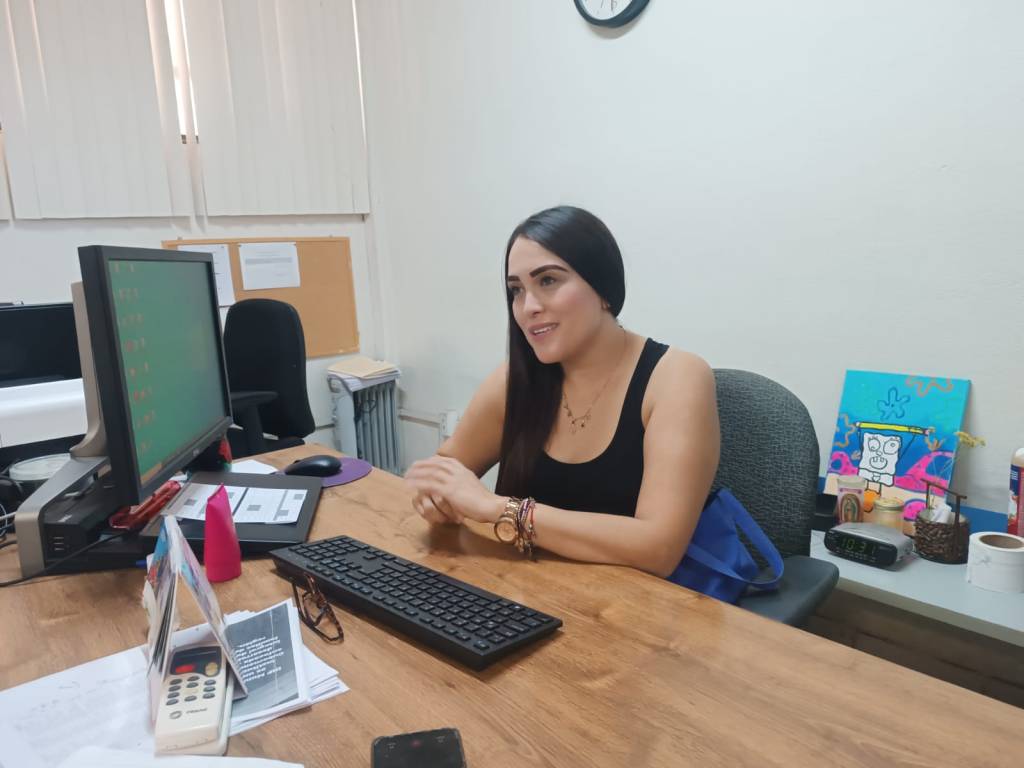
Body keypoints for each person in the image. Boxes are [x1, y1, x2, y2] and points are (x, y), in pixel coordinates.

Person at [404, 206, 719, 578]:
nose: (528, 307)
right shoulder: (514, 381)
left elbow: (658, 548)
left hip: (632, 605)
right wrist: (435, 496)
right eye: (516, 290)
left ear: (603, 289)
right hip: (523, 591)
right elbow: (446, 469)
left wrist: (498, 509)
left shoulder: (677, 376)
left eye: (548, 280)